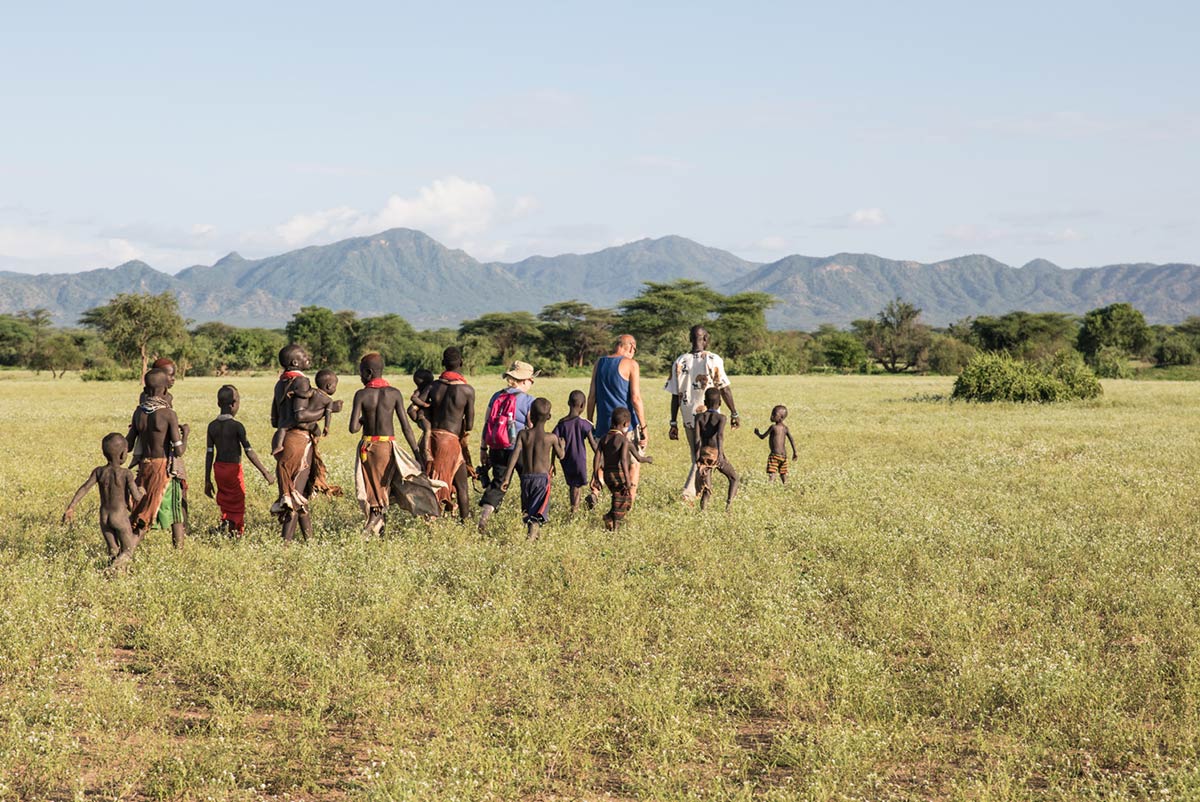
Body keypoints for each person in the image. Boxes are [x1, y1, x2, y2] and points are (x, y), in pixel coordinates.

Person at [348, 352, 425, 535]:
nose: (360, 377)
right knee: (382, 491)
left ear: (368, 373)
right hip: (386, 448)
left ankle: (371, 531)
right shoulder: (394, 393)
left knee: (375, 492)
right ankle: (372, 531)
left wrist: (365, 418)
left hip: (367, 448)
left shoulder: (361, 394)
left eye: (360, 373)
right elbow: (406, 427)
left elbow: (353, 428)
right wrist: (416, 453)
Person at [665, 325, 740, 501]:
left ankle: (703, 492)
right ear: (705, 339)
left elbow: (675, 396)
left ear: (690, 339)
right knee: (704, 457)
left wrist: (673, 422)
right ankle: (689, 493)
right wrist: (734, 413)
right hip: (711, 417)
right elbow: (724, 389)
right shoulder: (713, 359)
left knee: (698, 454)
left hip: (689, 417)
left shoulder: (679, 361)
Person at [269, 345, 332, 542]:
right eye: (304, 355)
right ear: (295, 362)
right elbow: (301, 415)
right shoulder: (301, 381)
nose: (308, 357)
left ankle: (310, 541)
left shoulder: (280, 384)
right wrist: (328, 409)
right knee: (294, 496)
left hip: (285, 442)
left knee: (298, 493)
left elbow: (274, 420)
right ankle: (284, 547)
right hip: (298, 442)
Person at [63, 432, 145, 568]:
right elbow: (137, 497)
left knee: (113, 551)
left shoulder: (99, 471)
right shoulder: (126, 474)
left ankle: (112, 578)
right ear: (123, 454)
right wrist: (142, 491)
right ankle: (113, 570)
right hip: (119, 517)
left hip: (104, 517)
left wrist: (71, 506)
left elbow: (84, 488)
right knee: (128, 550)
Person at [127, 368, 188, 547]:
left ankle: (126, 547)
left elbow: (129, 444)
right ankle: (179, 550)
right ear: (164, 390)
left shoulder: (139, 413)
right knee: (174, 512)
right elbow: (179, 451)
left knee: (143, 507)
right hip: (163, 468)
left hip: (145, 466)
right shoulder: (168, 414)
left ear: (146, 390)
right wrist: (186, 434)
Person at [477, 360, 537, 532]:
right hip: (519, 450)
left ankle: (484, 518)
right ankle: (529, 523)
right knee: (528, 484)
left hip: (496, 448)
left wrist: (483, 448)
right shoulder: (528, 400)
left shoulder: (497, 396)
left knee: (498, 484)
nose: (531, 383)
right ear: (524, 381)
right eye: (530, 380)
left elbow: (487, 422)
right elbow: (532, 428)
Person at [204, 385, 272, 535]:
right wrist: (265, 472)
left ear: (218, 403)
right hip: (233, 469)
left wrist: (207, 480)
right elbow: (249, 452)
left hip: (218, 469)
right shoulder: (237, 426)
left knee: (225, 499)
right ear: (234, 404)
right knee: (237, 500)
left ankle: (225, 524)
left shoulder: (212, 426)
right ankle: (235, 531)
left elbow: (209, 453)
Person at [587, 334, 648, 499]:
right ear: (630, 347)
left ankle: (595, 491)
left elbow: (591, 395)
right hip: (625, 425)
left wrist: (590, 422)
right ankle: (629, 501)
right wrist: (643, 428)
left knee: (603, 462)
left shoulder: (599, 363)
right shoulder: (631, 364)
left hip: (603, 425)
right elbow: (635, 398)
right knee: (634, 464)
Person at [419, 347, 476, 520]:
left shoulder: (433, 386)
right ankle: (464, 521)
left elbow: (416, 408)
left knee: (431, 480)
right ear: (462, 362)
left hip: (431, 439)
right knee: (462, 487)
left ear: (442, 363)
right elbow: (471, 425)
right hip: (450, 441)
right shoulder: (467, 391)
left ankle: (430, 518)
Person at [500, 397, 564, 540]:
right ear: (549, 417)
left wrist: (506, 478)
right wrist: (562, 445)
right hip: (541, 480)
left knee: (529, 511)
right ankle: (530, 539)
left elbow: (514, 456)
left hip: (525, 478)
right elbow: (561, 455)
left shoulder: (523, 434)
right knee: (537, 514)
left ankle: (535, 539)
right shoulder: (551, 438)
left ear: (531, 416)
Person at [592, 407, 653, 530]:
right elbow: (629, 460)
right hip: (618, 475)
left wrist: (595, 476)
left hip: (607, 475)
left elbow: (596, 458)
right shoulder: (624, 441)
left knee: (619, 498)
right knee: (622, 501)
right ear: (626, 424)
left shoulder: (604, 439)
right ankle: (614, 525)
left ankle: (610, 518)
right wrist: (648, 459)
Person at [553, 390, 598, 514]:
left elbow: (553, 440)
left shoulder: (561, 423)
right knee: (576, 486)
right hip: (579, 460)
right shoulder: (583, 424)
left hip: (565, 460)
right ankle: (575, 510)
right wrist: (601, 456)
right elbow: (592, 443)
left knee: (573, 485)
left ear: (568, 402)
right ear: (583, 406)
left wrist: (552, 463)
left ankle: (574, 508)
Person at [693, 388, 738, 511]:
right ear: (720, 403)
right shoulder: (721, 418)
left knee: (707, 487)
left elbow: (697, 439)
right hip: (716, 453)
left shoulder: (699, 418)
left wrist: (697, 458)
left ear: (704, 402)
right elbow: (719, 436)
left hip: (703, 454)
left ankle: (703, 511)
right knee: (734, 478)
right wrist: (721, 456)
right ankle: (729, 506)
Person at [754, 405, 797, 483]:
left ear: (781, 417)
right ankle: (786, 486)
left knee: (772, 473)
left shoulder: (773, 427)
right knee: (783, 474)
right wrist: (795, 452)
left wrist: (758, 433)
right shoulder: (785, 428)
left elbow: (763, 437)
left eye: (774, 414)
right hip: (784, 456)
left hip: (774, 456)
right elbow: (792, 440)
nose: (771, 416)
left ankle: (770, 485)